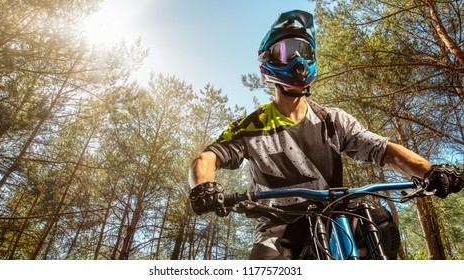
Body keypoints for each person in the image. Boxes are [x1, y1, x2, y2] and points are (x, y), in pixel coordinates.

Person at [188, 10, 464, 260]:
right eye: (286, 52)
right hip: (278, 227)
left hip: (336, 217)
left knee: (378, 224)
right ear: (266, 66)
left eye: (303, 52)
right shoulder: (251, 126)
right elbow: (208, 157)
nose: (296, 59)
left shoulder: (333, 119)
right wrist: (203, 187)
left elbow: (384, 149)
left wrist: (430, 171)